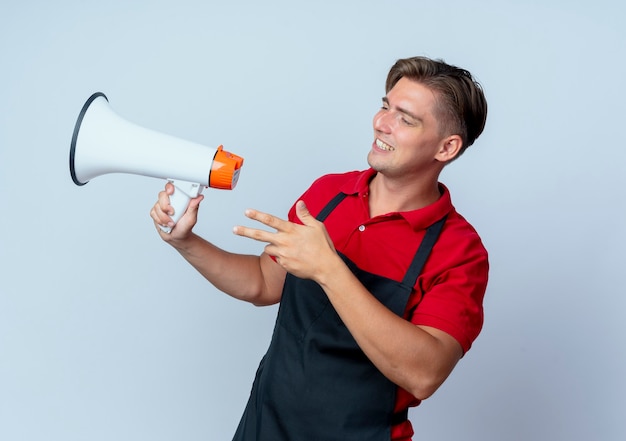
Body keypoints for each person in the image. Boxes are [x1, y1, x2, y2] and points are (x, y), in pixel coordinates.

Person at [150, 56, 489, 441]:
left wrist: (329, 269)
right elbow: (264, 283)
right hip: (265, 428)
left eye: (405, 118)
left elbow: (424, 374)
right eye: (384, 106)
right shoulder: (329, 194)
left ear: (446, 148)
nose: (381, 123)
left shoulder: (459, 251)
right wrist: (185, 242)